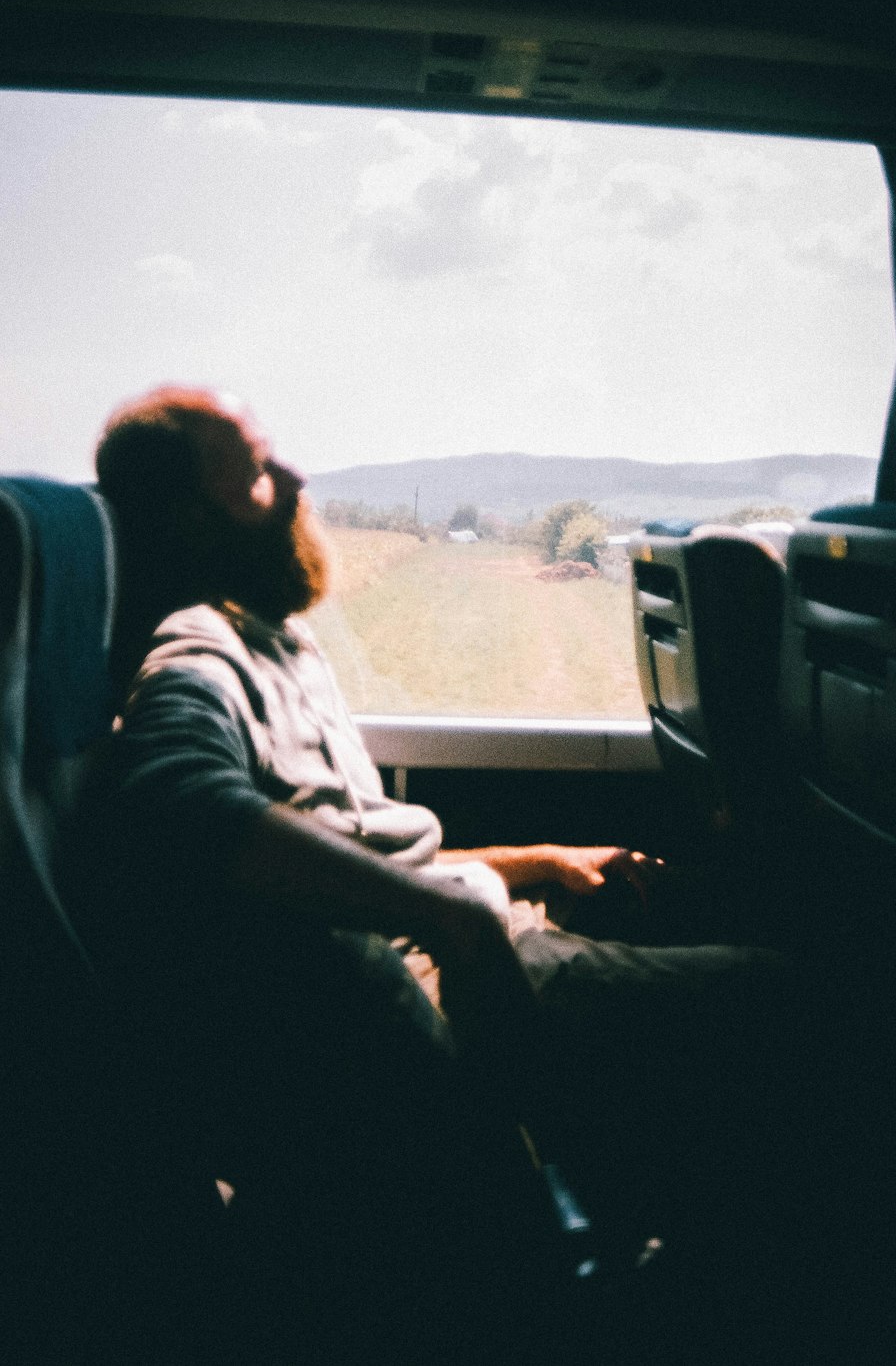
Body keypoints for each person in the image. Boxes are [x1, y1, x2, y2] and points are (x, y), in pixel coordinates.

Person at [71, 386, 801, 1359]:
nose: (292, 482)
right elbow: (175, 799)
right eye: (253, 470)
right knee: (780, 1000)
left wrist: (536, 861)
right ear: (184, 522)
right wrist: (450, 916)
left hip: (465, 935)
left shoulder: (280, 639)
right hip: (440, 973)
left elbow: (345, 855)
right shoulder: (196, 649)